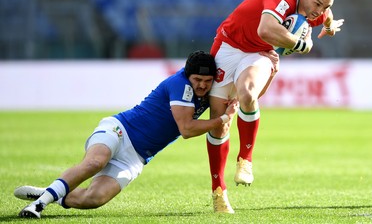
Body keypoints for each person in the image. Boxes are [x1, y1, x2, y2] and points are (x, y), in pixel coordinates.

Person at [14, 50, 239, 219]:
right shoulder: (180, 84)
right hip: (120, 130)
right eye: (197, 80)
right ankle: (38, 205)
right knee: (95, 161)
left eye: (207, 82)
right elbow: (187, 130)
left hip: (136, 157)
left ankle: (52, 192)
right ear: (187, 75)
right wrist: (224, 117)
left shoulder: (208, 90)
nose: (202, 86)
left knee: (95, 199)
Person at [206, 0, 344, 213]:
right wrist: (301, 44)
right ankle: (219, 191)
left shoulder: (319, 9)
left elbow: (327, 15)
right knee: (218, 124)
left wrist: (330, 26)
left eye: (325, 6)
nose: (319, 11)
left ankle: (245, 160)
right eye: (317, 4)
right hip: (228, 45)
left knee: (248, 94)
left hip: (259, 53)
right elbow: (266, 29)